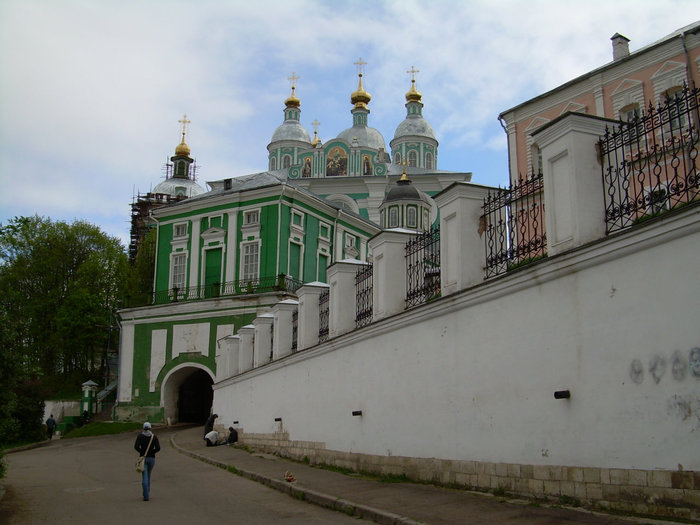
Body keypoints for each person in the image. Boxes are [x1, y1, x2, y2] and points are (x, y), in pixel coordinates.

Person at [134, 422, 160, 501]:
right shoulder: (154, 437)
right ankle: (147, 492)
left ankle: (146, 495)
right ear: (150, 428)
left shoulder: (140, 436)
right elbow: (158, 448)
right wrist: (152, 452)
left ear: (143, 428)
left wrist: (142, 451)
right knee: (149, 474)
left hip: (143, 458)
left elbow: (136, 446)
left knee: (144, 476)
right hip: (152, 458)